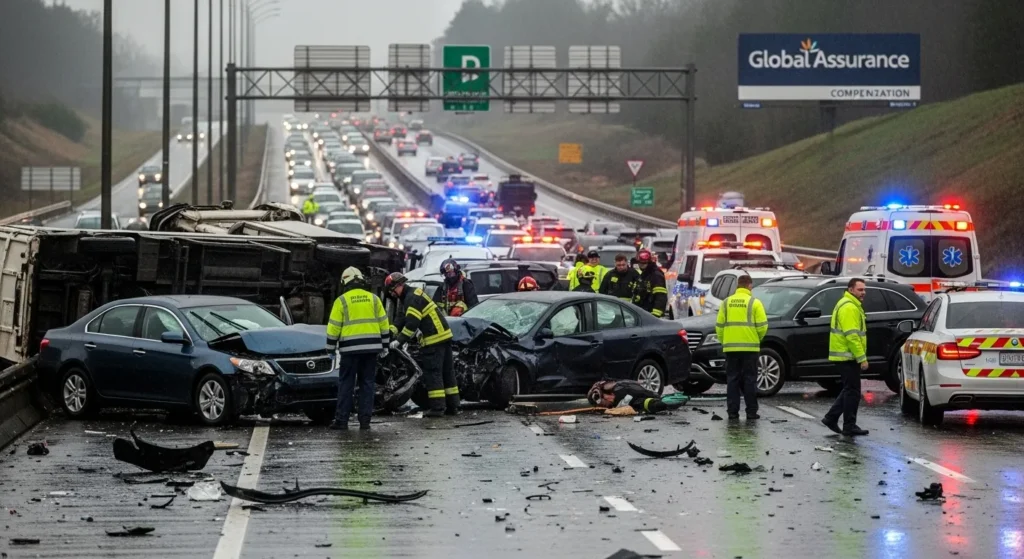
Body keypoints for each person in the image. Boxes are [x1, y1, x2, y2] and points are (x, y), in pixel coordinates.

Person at [325, 267, 390, 430]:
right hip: (371, 349)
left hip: (350, 350)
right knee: (367, 384)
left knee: (346, 384)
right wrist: (385, 345)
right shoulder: (374, 299)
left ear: (345, 282)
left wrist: (330, 348)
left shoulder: (342, 301)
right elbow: (384, 324)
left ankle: (341, 421)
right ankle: (365, 421)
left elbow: (333, 327)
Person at [385, 272, 458, 417]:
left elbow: (412, 324)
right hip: (444, 336)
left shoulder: (411, 298)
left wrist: (398, 341)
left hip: (434, 339)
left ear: (399, 286)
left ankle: (437, 409)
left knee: (433, 373)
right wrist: (391, 331)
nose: (392, 294)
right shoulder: (410, 295)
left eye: (393, 290)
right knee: (447, 372)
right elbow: (401, 317)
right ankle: (453, 406)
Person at [715, 274, 768, 420]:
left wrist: (725, 341)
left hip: (731, 349)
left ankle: (732, 412)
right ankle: (751, 412)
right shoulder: (754, 303)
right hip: (750, 348)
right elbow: (763, 326)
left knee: (732, 380)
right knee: (750, 379)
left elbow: (719, 326)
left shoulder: (726, 303)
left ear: (737, 285)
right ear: (749, 286)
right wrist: (756, 339)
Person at [821, 278, 870, 436]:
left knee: (850, 389)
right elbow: (852, 336)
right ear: (851, 290)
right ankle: (849, 425)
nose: (863, 293)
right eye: (860, 290)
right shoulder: (849, 307)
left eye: (864, 290)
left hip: (845, 355)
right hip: (848, 356)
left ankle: (832, 418)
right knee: (853, 391)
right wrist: (862, 358)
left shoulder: (849, 304)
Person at [587, 379, 689, 414]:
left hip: (642, 399)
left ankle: (673, 401)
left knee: (654, 404)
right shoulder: (618, 387)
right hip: (641, 399)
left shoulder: (620, 390)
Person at [632, 249, 668, 318]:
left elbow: (660, 296)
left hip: (650, 315)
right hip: (643, 313)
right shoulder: (645, 274)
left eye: (644, 263)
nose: (641, 265)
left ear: (649, 262)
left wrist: (655, 315)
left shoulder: (656, 275)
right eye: (640, 263)